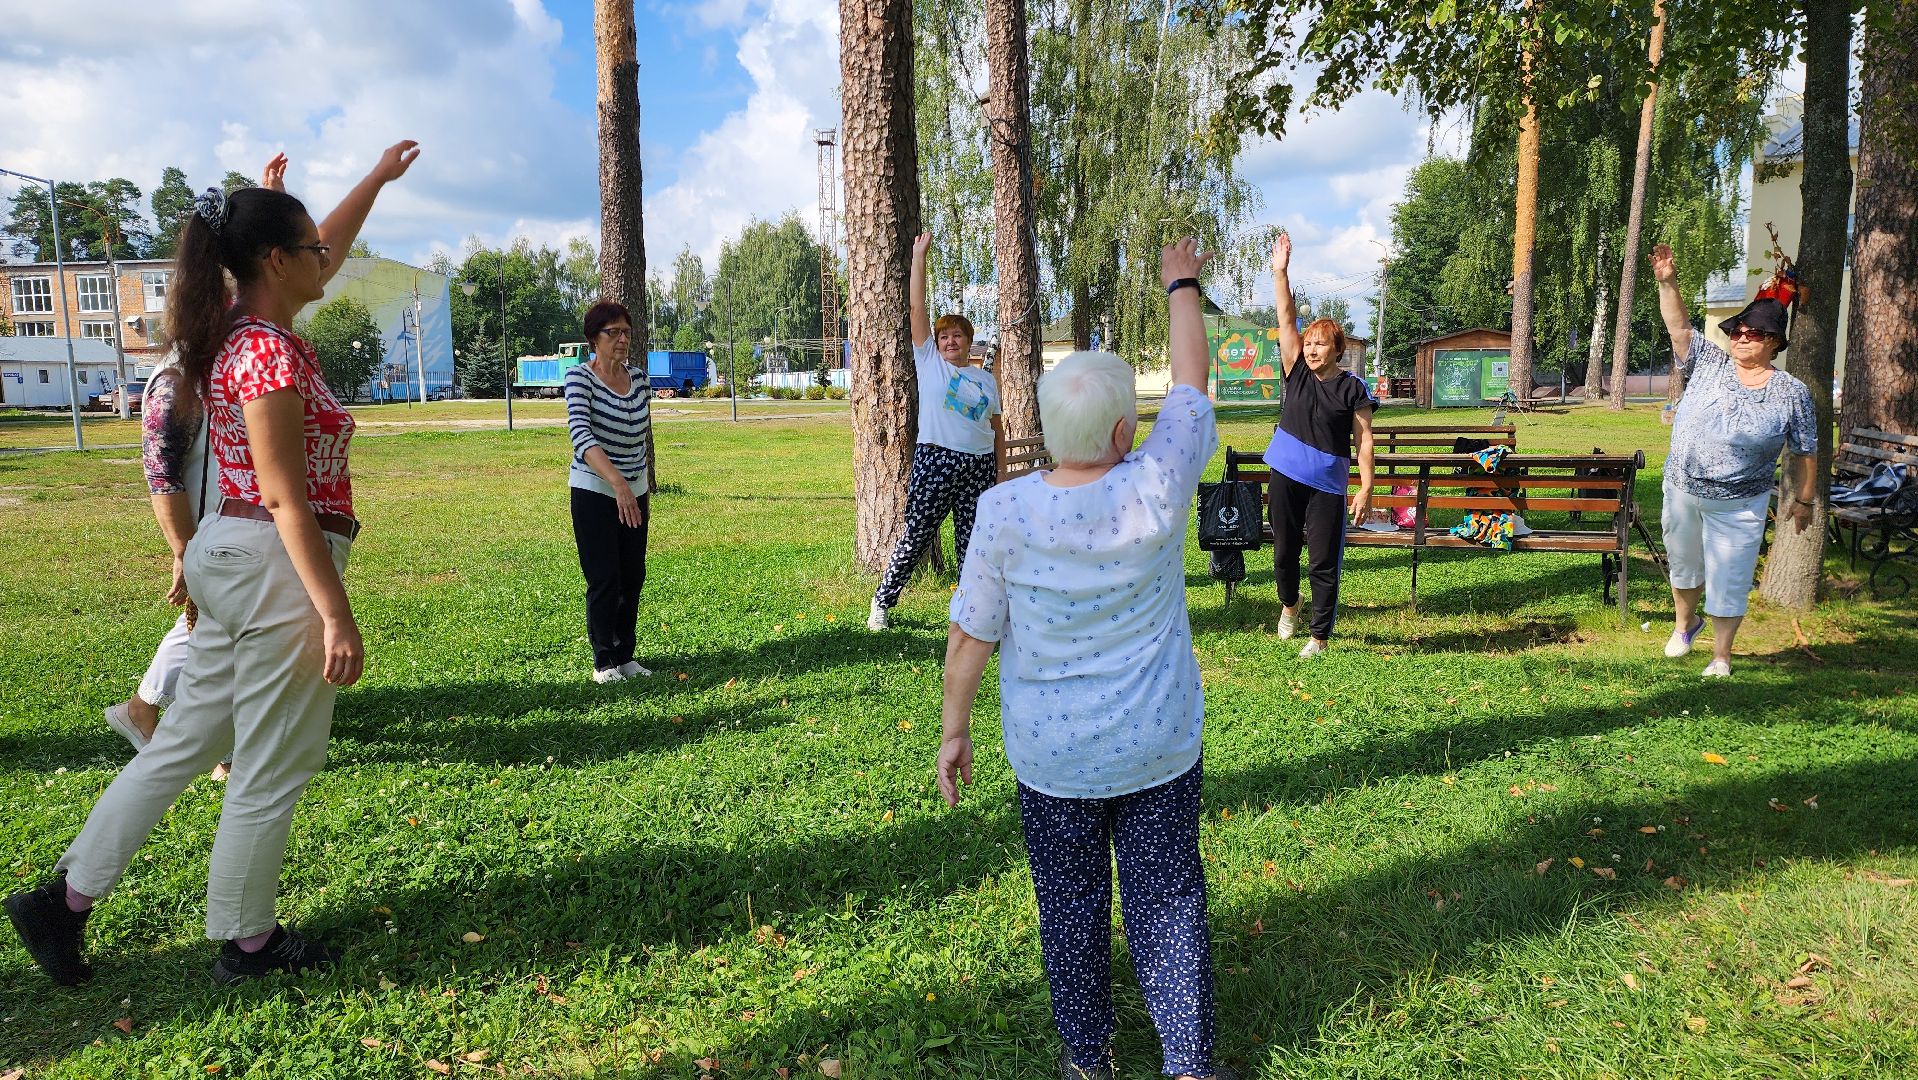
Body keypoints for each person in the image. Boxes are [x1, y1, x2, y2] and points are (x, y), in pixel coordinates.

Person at [5, 140, 418, 986]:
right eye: (311, 252)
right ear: (275, 260)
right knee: (274, 760)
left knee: (180, 745)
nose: (326, 261)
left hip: (231, 559)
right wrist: (334, 611)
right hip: (274, 564)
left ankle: (64, 902)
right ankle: (247, 940)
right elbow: (285, 496)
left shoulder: (238, 329)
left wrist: (371, 179)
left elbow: (319, 240)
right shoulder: (263, 350)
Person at [937, 239, 1238, 1080]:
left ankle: (1085, 1059)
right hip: (1157, 745)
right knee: (1168, 898)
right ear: (1118, 429)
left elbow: (970, 638)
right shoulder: (1157, 483)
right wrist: (1181, 280)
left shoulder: (1002, 513)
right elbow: (1189, 387)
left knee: (1069, 908)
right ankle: (1187, 1061)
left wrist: (953, 732)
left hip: (1052, 759)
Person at [104, 154, 290, 779]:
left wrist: (269, 205)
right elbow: (161, 472)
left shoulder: (229, 346)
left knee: (223, 634)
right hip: (217, 533)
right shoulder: (179, 373)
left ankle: (167, 720)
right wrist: (183, 549)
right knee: (221, 634)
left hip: (234, 530)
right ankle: (159, 717)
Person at [1651, 242, 1817, 678]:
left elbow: (1805, 448)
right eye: (1739, 331)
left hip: (1741, 500)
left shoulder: (1791, 391)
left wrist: (1803, 500)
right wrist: (1668, 282)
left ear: (1775, 343)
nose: (1743, 338)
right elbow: (1680, 329)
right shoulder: (1710, 363)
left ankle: (1721, 655)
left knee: (1731, 575)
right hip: (1683, 487)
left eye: (1755, 333)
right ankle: (1685, 625)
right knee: (1684, 564)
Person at [866, 232, 1005, 631]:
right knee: (916, 535)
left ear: (968, 342)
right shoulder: (929, 362)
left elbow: (996, 428)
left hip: (978, 467)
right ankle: (882, 601)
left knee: (971, 545)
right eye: (944, 336)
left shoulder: (985, 382)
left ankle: (967, 615)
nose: (948, 341)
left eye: (956, 336)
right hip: (936, 460)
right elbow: (916, 308)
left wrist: (997, 473)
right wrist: (918, 257)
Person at [1260, 231, 1376, 657]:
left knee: (1323, 562)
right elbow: (1286, 316)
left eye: (1319, 343)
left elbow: (1364, 441)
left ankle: (1319, 637)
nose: (1310, 349)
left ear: (1337, 350)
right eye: (1308, 343)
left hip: (1327, 485)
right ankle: (1289, 606)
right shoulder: (1296, 371)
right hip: (1286, 474)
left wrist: (1365, 487)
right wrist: (1281, 272)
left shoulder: (1353, 389)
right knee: (1285, 553)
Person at [565, 300, 653, 684]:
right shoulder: (579, 378)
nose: (621, 339)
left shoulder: (641, 380)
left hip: (634, 492)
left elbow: (640, 436)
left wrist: (635, 484)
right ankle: (604, 662)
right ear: (593, 339)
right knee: (605, 577)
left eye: (626, 332)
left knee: (633, 574)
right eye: (612, 332)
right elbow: (581, 436)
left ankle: (625, 655)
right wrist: (617, 482)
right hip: (595, 490)